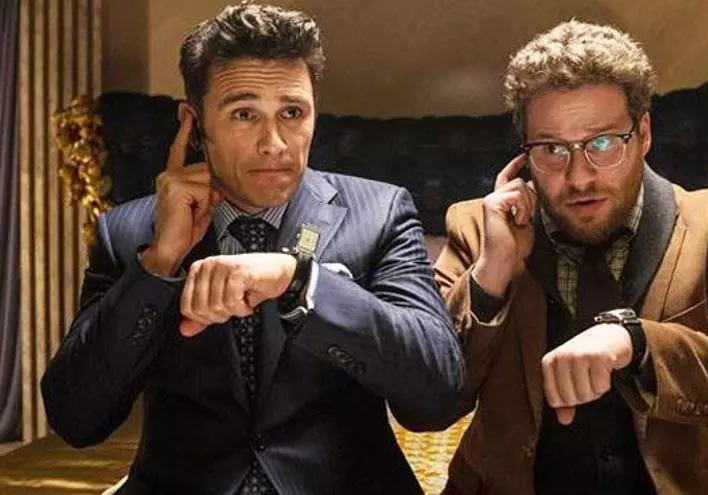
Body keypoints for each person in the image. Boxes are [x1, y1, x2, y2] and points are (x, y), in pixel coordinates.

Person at [41, 3, 464, 493]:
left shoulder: (379, 213)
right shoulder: (126, 231)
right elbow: (76, 419)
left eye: (292, 113)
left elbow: (438, 397)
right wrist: (158, 265)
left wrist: (300, 282)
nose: (275, 143)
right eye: (244, 114)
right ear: (194, 122)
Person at [434, 20, 708, 495]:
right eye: (552, 149)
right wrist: (491, 275)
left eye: (603, 143)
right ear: (524, 155)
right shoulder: (478, 230)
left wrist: (636, 343)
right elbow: (425, 405)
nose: (579, 177)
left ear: (643, 133)